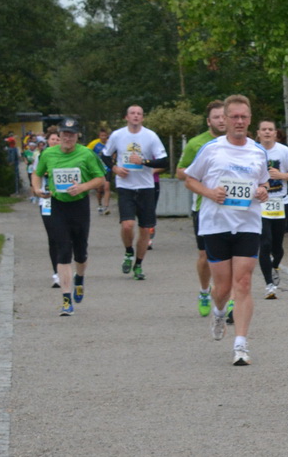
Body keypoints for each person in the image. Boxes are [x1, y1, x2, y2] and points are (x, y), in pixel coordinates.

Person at [181, 94, 270, 366]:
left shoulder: (258, 151)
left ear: (250, 119)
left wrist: (263, 191)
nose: (239, 121)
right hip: (216, 224)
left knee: (243, 283)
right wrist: (209, 192)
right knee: (221, 288)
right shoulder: (211, 149)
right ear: (226, 119)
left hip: (248, 224)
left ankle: (240, 344)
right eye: (234, 117)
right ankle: (219, 312)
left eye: (244, 117)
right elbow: (189, 180)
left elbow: (264, 183)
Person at [32, 119, 108, 316]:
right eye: (65, 134)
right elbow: (37, 173)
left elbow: (100, 178)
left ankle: (80, 278)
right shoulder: (48, 153)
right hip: (57, 205)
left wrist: (82, 187)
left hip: (79, 205)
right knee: (63, 249)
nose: (67, 138)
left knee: (80, 252)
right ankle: (66, 300)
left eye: (71, 135)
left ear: (77, 137)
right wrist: (37, 189)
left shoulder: (86, 154)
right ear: (60, 135)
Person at [177, 101, 228, 317]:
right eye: (216, 117)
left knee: (233, 256)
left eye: (224, 116)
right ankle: (205, 291)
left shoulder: (239, 142)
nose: (221, 120)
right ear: (209, 121)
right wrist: (203, 180)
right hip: (204, 207)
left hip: (233, 208)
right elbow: (181, 172)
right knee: (205, 254)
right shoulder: (197, 144)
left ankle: (231, 298)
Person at [110, 105, 169, 282]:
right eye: (132, 114)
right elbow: (105, 156)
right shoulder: (117, 135)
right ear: (126, 117)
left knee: (145, 229)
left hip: (146, 187)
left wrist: (144, 161)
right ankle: (128, 251)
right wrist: (115, 168)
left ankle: (138, 264)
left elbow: (164, 160)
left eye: (139, 114)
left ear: (143, 118)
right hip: (125, 186)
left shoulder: (150, 136)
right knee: (127, 225)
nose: (136, 116)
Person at [255, 119, 288, 300]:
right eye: (264, 129)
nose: (267, 132)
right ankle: (269, 285)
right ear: (258, 133)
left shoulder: (283, 151)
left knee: (277, 246)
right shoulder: (253, 151)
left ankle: (275, 267)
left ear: (275, 133)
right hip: (261, 203)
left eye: (270, 129)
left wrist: (281, 175)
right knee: (264, 243)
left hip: (280, 202)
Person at [31, 130, 62, 287]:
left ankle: (66, 268)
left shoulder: (66, 156)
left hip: (65, 200)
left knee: (66, 236)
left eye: (58, 139)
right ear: (47, 141)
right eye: (53, 139)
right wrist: (37, 190)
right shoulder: (41, 156)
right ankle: (56, 273)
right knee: (53, 236)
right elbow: (35, 174)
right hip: (47, 200)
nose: (55, 141)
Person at [88, 127, 114, 214]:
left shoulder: (110, 143)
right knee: (100, 189)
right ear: (99, 136)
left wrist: (113, 160)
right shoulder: (94, 143)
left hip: (108, 168)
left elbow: (115, 152)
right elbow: (86, 152)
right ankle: (99, 204)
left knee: (107, 187)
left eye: (105, 136)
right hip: (98, 169)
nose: (103, 137)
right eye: (102, 136)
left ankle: (106, 207)